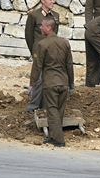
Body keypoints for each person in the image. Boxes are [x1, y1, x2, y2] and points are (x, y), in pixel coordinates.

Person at [30, 18, 74, 147]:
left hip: (50, 82)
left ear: (49, 27)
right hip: (64, 82)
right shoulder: (65, 43)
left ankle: (59, 139)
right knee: (59, 110)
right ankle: (53, 136)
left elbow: (37, 66)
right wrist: (71, 83)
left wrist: (32, 83)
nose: (40, 28)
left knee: (52, 110)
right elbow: (69, 65)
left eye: (42, 26)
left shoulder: (42, 44)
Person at [25, 0, 60, 112]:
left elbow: (55, 34)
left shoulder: (55, 16)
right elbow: (28, 35)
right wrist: (34, 50)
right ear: (43, 1)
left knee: (49, 76)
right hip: (38, 50)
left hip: (50, 52)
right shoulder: (34, 15)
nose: (53, 2)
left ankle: (46, 103)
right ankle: (33, 104)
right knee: (37, 77)